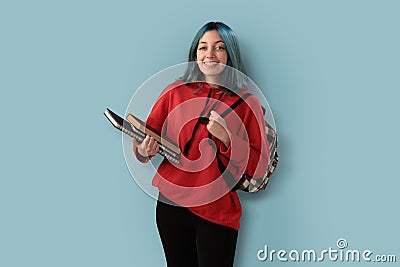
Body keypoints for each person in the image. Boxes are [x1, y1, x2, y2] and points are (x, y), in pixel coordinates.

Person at [133, 21, 269, 267]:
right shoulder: (175, 91)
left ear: (230, 54)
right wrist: (143, 149)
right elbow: (147, 136)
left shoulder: (247, 103)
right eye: (203, 47)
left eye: (219, 48)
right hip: (171, 204)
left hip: (217, 211)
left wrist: (227, 138)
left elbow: (258, 166)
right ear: (195, 53)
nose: (210, 54)